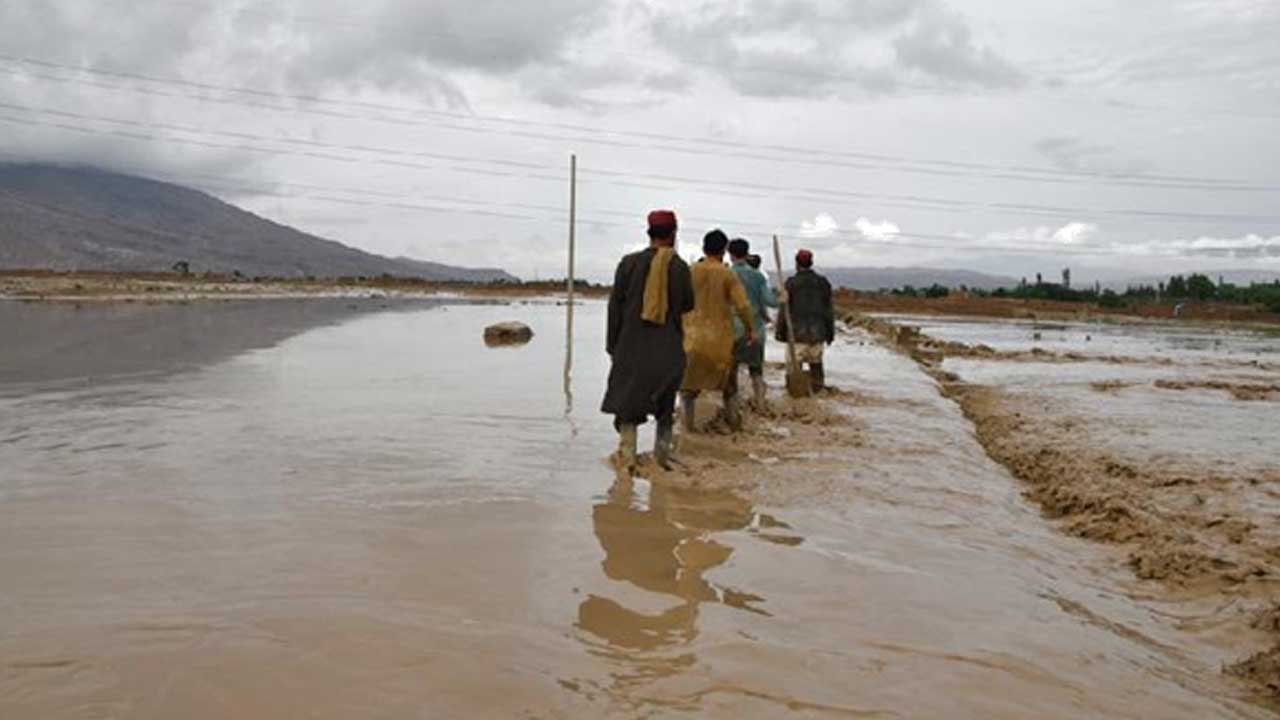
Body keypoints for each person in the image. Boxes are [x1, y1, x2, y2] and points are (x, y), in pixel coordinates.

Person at [602, 210, 695, 474]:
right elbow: (688, 304)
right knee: (664, 409)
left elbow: (614, 309)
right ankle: (662, 459)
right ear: (674, 234)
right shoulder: (679, 268)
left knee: (628, 407)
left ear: (649, 233)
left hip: (631, 348)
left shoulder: (628, 264)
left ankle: (627, 460)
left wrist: (613, 347)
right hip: (668, 351)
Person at [679, 229, 756, 432]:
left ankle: (687, 430)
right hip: (720, 343)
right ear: (724, 250)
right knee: (729, 388)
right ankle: (734, 427)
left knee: (687, 390)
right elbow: (743, 306)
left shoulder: (690, 271)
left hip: (691, 340)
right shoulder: (727, 274)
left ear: (703, 248)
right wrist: (750, 329)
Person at [727, 238, 777, 410]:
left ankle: (733, 409)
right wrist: (783, 296)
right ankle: (761, 404)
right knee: (756, 370)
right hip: (755, 331)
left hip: (732, 331)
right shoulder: (758, 276)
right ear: (746, 253)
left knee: (731, 371)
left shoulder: (726, 274)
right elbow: (771, 301)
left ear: (730, 254)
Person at [778, 248, 834, 391]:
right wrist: (830, 333)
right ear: (811, 263)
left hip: (796, 335)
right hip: (818, 333)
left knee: (793, 371)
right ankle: (817, 393)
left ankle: (796, 397)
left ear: (797, 264)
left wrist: (780, 333)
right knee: (816, 367)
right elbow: (828, 310)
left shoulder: (790, 284)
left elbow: (784, 310)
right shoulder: (823, 283)